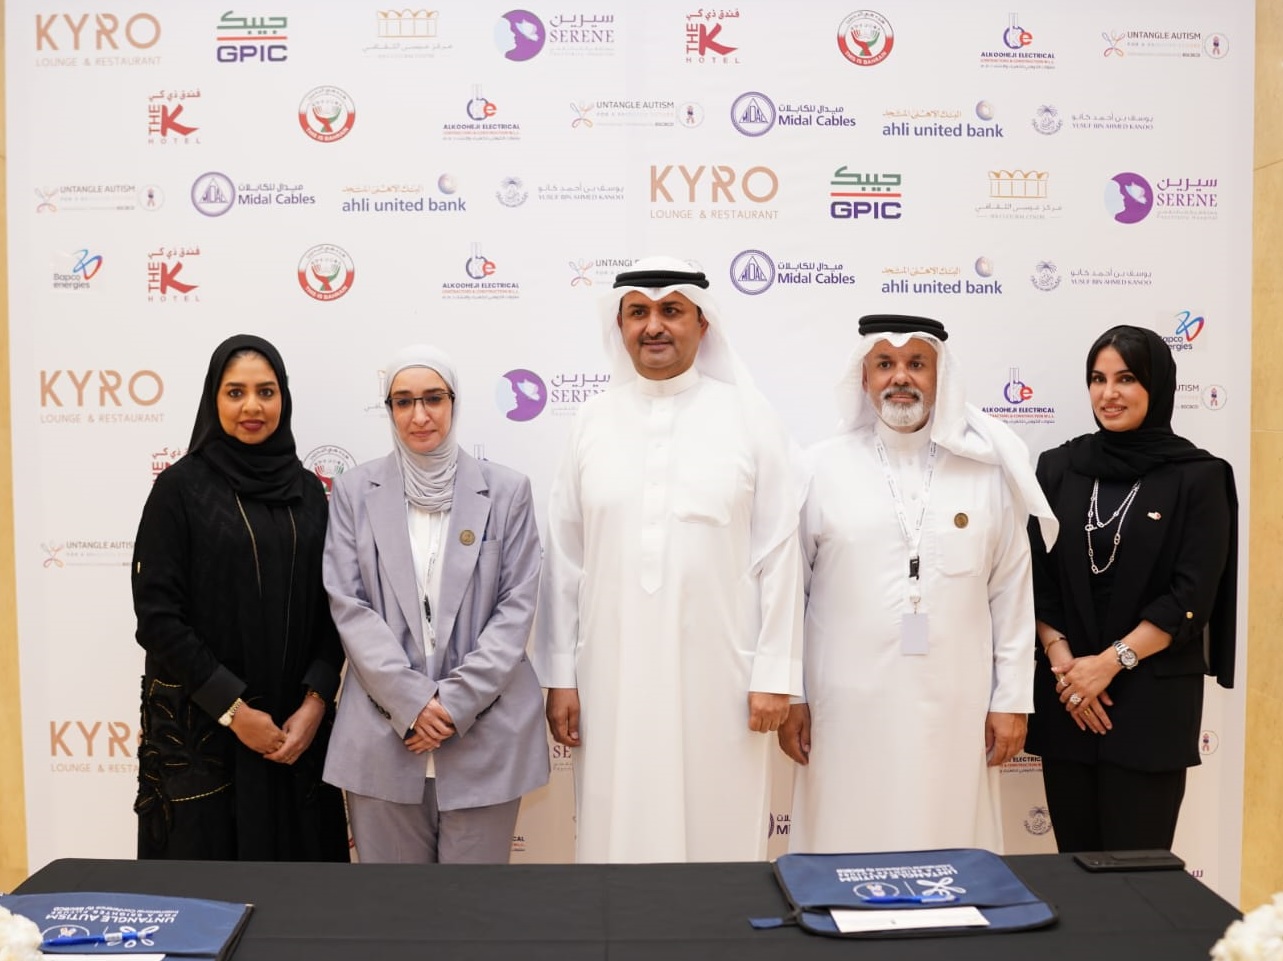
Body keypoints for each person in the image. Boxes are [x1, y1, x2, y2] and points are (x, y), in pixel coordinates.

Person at [535, 256, 804, 863]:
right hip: (611, 672)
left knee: (718, 821)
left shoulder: (750, 418)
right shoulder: (591, 421)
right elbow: (566, 560)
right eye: (638, 312)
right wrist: (561, 676)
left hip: (724, 676)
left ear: (702, 324)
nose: (653, 326)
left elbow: (780, 554)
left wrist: (774, 677)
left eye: (671, 311)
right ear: (620, 326)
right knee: (617, 818)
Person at [781, 314, 1057, 854]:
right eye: (885, 364)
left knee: (946, 834)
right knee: (846, 831)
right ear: (864, 378)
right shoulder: (819, 469)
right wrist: (792, 695)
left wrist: (1012, 700)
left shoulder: (985, 472)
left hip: (955, 703)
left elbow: (1011, 593)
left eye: (916, 364)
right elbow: (791, 593)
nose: (900, 377)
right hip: (844, 704)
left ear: (940, 376)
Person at [322, 345, 548, 863]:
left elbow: (515, 608)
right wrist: (411, 703)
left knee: (473, 905)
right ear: (389, 409)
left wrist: (450, 706)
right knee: (396, 905)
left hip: (486, 734)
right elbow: (349, 604)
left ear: (453, 402)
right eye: (403, 401)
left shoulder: (507, 491)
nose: (419, 415)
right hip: (383, 735)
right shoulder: (354, 492)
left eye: (432, 399)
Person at [131, 333, 348, 861]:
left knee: (303, 896)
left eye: (266, 392)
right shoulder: (180, 490)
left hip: (294, 735)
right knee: (207, 891)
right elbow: (158, 617)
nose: (252, 406)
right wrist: (233, 709)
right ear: (214, 400)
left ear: (283, 399)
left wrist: (315, 703)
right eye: (235, 392)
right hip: (207, 733)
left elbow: (335, 606)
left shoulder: (308, 493)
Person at [1025, 325, 1237, 852]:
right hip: (1068, 697)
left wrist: (1107, 665)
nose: (1108, 394)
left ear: (1156, 386)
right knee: (1075, 871)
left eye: (1125, 379)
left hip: (1150, 705)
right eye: (1097, 379)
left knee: (1138, 878)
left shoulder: (1199, 476)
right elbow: (1035, 578)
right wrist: (1068, 668)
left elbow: (1191, 595)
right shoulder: (1058, 468)